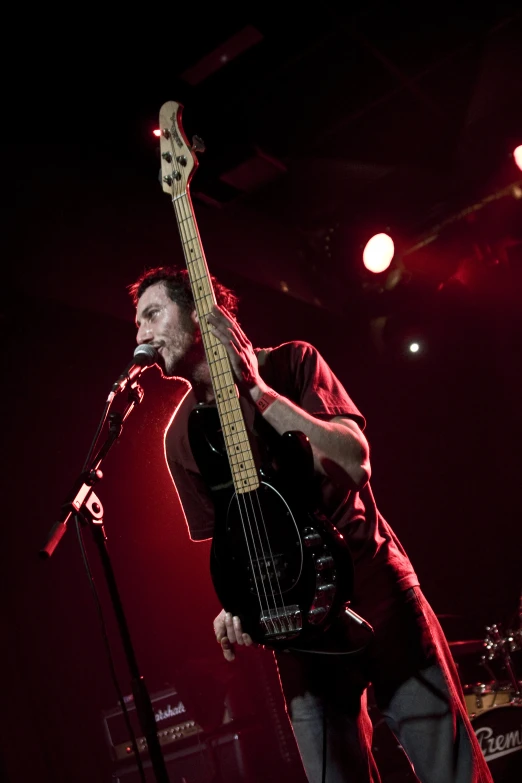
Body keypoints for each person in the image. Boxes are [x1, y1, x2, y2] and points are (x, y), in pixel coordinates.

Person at [130, 265, 493, 783]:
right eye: (137, 322)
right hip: (302, 640)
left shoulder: (293, 363)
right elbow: (239, 551)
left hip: (378, 597)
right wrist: (235, 610)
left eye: (152, 314)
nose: (141, 334)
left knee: (450, 773)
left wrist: (257, 392)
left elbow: (354, 462)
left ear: (201, 312)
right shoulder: (179, 439)